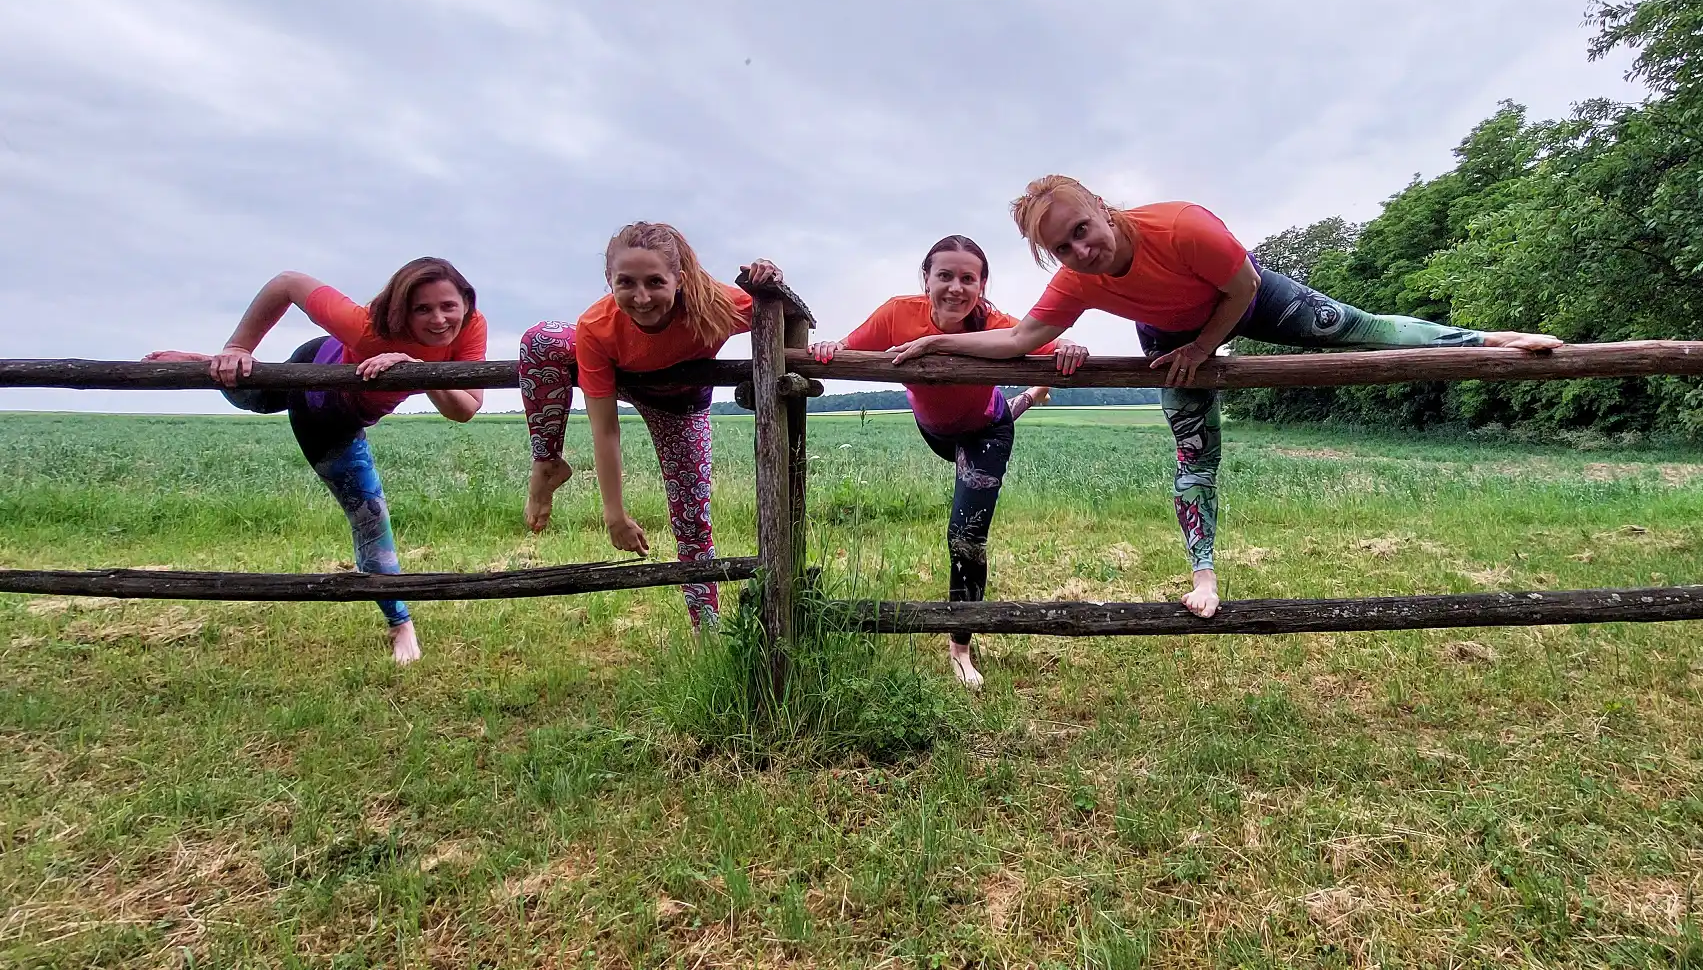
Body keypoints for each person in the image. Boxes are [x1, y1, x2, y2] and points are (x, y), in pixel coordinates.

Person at [886, 175, 1565, 619]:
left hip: (1246, 300)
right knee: (1194, 453)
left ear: (1100, 206)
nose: (1081, 250)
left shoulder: (1182, 226)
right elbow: (1020, 339)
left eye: (1081, 229)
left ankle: (1492, 340)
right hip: (1171, 336)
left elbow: (1242, 289)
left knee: (1357, 328)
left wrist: (1204, 349)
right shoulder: (1078, 282)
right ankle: (1203, 576)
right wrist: (934, 344)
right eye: (1062, 247)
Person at [143, 258, 489, 663]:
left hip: (342, 386)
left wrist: (419, 371)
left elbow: (466, 408)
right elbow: (287, 281)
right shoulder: (364, 326)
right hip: (322, 407)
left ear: (466, 302)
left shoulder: (471, 325)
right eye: (422, 309)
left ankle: (398, 623)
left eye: (448, 306)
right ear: (400, 311)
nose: (439, 319)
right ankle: (401, 624)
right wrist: (238, 347)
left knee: (365, 513)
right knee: (254, 397)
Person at [809, 236, 1087, 687]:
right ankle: (1030, 397)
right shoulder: (898, 313)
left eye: (967, 279)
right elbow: (845, 349)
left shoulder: (993, 322)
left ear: (981, 285)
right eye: (945, 276)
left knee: (965, 537)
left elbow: (1048, 340)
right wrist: (827, 347)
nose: (956, 288)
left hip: (985, 433)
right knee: (979, 436)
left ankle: (960, 648)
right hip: (936, 431)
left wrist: (1070, 344)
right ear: (926, 279)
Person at [517, 221, 781, 631]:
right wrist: (614, 514)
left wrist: (772, 282)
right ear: (609, 280)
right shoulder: (597, 325)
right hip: (624, 378)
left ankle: (706, 628)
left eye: (655, 282)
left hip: (680, 404)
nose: (641, 298)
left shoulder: (716, 304)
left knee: (692, 520)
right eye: (626, 282)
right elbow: (606, 429)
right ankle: (547, 463)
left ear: (680, 280)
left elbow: (789, 315)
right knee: (541, 340)